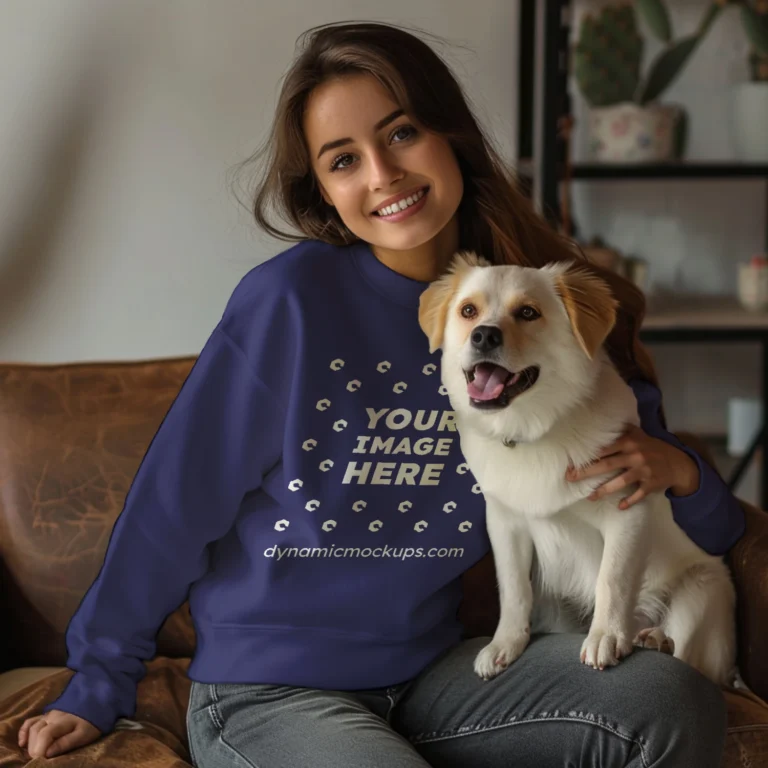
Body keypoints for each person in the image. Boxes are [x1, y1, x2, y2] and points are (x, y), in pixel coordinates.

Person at [18, 20, 745, 767]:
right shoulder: (290, 304)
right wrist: (97, 681)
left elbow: (685, 512)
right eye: (343, 160)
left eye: (401, 134)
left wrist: (685, 476)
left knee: (665, 700)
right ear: (327, 194)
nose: (382, 174)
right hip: (270, 689)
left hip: (435, 675)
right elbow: (174, 502)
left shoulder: (540, 306)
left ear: (450, 134)